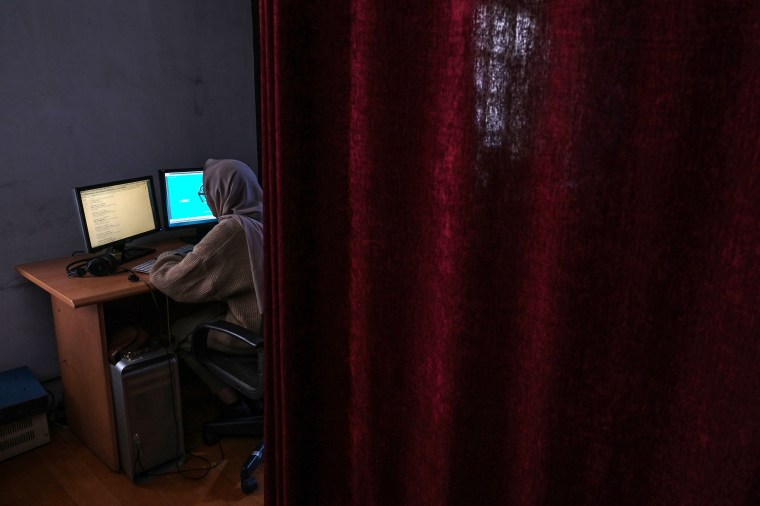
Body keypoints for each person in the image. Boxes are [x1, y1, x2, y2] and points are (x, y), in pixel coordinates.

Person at [150, 158, 264, 414]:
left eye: (206, 192)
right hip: (275, 326)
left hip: (252, 330)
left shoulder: (232, 231)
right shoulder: (267, 213)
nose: (207, 198)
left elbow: (175, 283)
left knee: (177, 331)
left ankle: (234, 405)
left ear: (221, 193)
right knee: (198, 317)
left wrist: (166, 257)